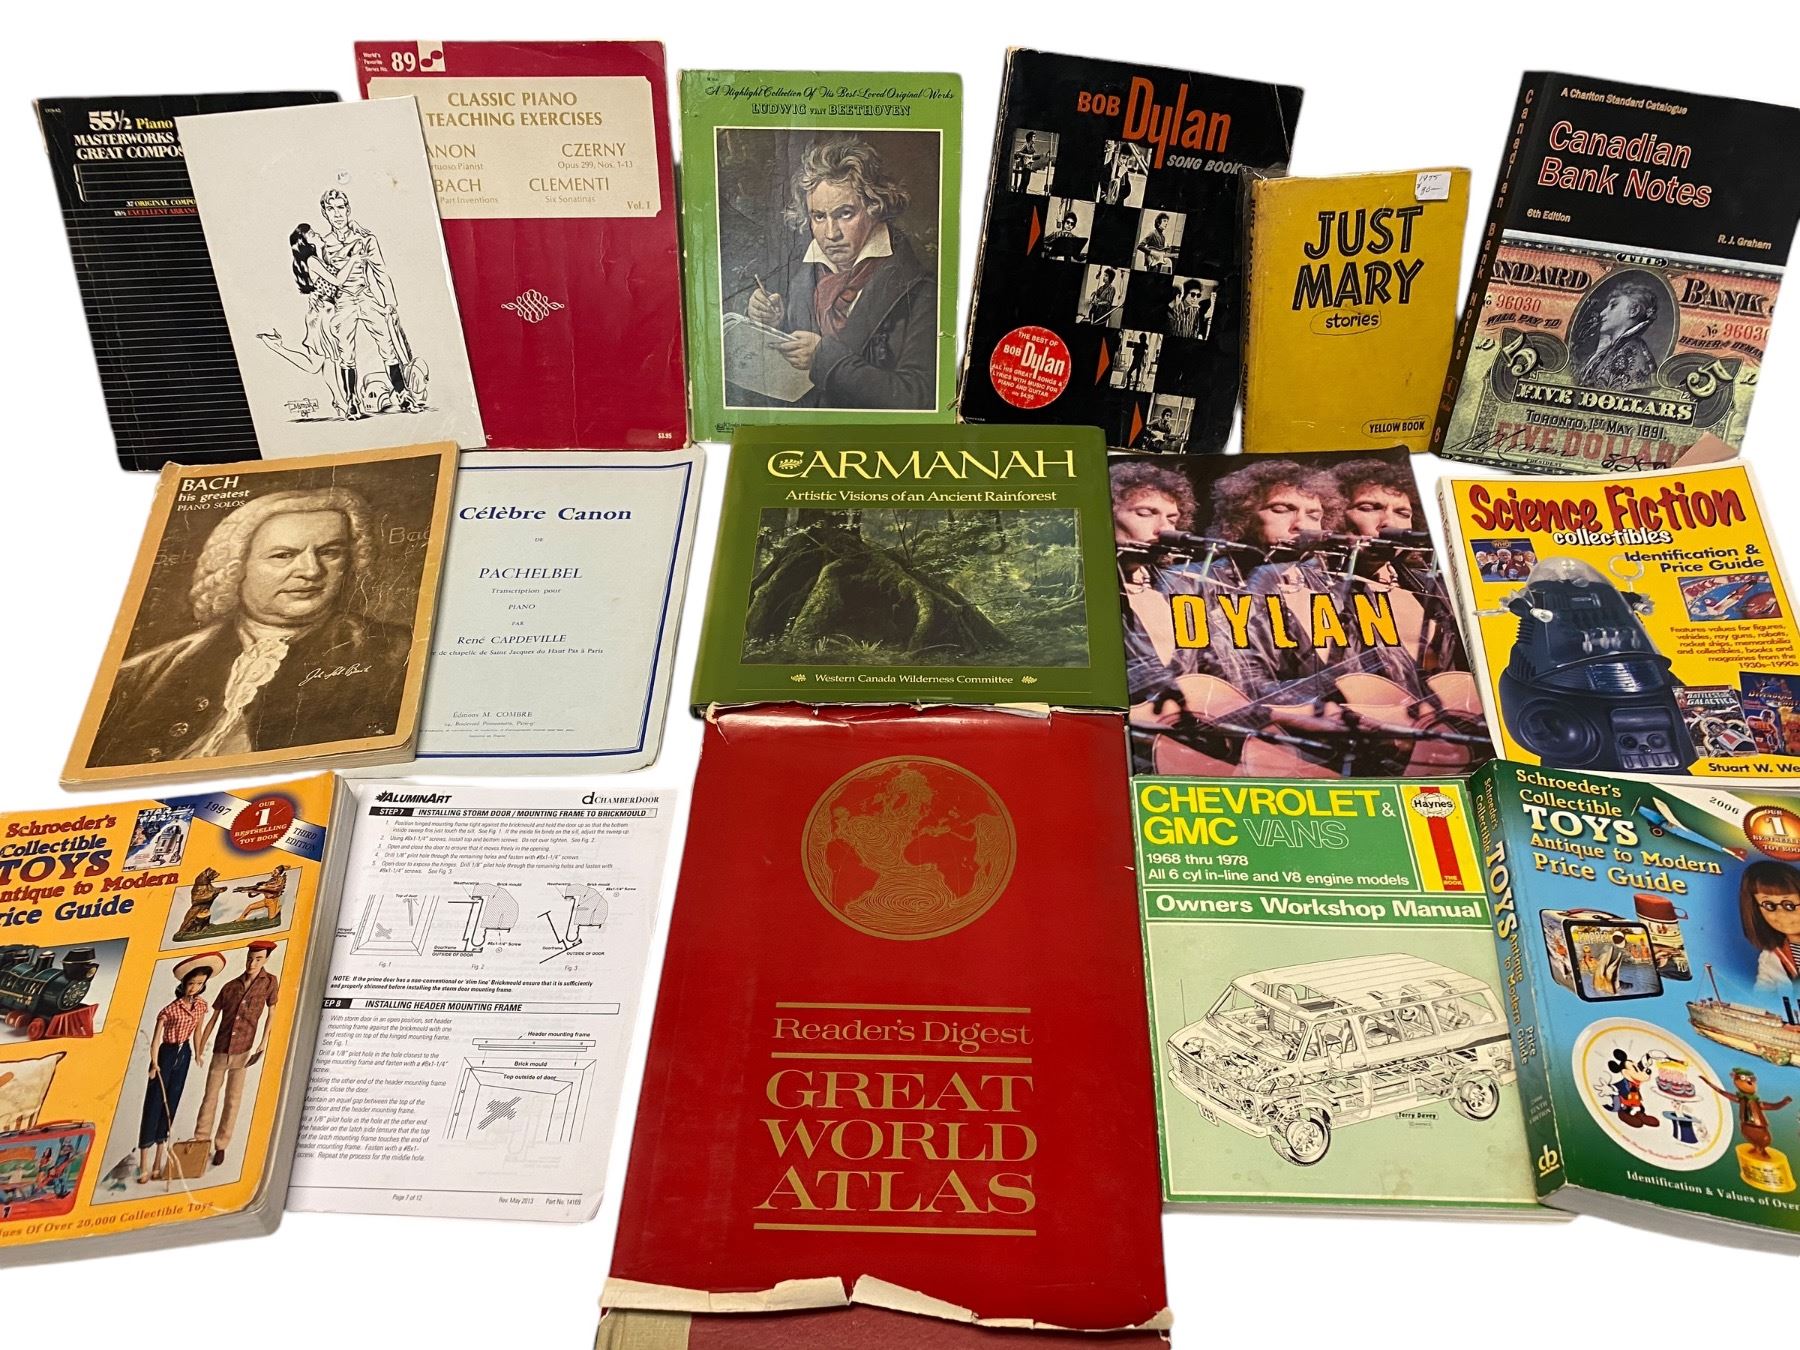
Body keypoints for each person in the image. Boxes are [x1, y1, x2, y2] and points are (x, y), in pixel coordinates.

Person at [87, 487, 412, 766]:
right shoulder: (143, 673)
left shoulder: (396, 653)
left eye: (330, 552)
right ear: (236, 567)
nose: (311, 571)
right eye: (284, 555)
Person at [744, 137, 936, 410]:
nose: (831, 234)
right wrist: (776, 323)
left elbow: (919, 398)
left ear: (875, 208)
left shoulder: (920, 292)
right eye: (819, 217)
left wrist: (824, 358)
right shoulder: (802, 280)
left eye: (845, 214)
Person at [317, 189, 418, 416]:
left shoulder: (365, 239)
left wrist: (389, 302)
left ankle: (402, 394)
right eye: (331, 209)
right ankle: (352, 401)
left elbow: (380, 271)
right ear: (325, 213)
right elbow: (322, 279)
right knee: (345, 352)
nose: (337, 214)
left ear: (348, 209)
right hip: (342, 301)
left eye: (341, 207)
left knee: (387, 345)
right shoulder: (323, 244)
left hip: (365, 295)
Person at [137, 952, 223, 1185]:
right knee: (154, 1104)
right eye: (191, 983)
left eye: (199, 984)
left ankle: (158, 1162)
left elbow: (198, 1031)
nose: (194, 987)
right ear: (183, 983)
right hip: (166, 1054)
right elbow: (156, 1040)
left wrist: (198, 1053)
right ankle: (144, 1165)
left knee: (171, 1104)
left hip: (184, 1054)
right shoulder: (169, 1010)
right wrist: (154, 1063)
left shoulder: (201, 1006)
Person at [192, 941, 280, 1168]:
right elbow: (213, 1018)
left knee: (233, 1099)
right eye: (250, 958)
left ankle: (221, 1145)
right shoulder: (230, 987)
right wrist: (200, 1045)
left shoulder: (270, 982)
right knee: (210, 1097)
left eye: (258, 959)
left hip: (244, 1050)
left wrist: (263, 1042)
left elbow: (272, 1013)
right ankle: (200, 1141)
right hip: (221, 1049)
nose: (252, 963)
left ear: (266, 959)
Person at [257, 224, 351, 417]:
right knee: (317, 364)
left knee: (327, 362)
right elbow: (338, 281)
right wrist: (355, 260)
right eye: (313, 234)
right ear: (306, 242)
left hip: (323, 313)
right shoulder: (312, 261)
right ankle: (276, 346)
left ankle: (339, 401)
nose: (318, 234)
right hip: (321, 316)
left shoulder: (316, 258)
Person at [1574, 277, 1659, 393]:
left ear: (1633, 310)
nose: (1602, 313)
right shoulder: (1609, 351)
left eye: (1613, 306)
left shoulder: (1633, 353)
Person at [1739, 860, 1800, 991]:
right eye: (1769, 906)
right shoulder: (1770, 958)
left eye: (1789, 905)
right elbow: (1762, 996)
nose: (1781, 914)